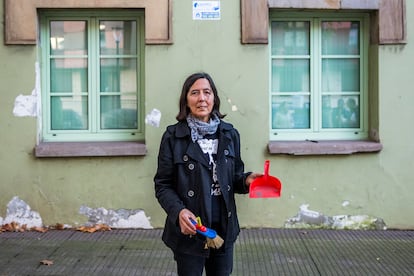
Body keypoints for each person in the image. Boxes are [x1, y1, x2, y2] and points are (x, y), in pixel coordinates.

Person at [154, 72, 260, 276]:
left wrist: (247, 180)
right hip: (192, 226)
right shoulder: (173, 137)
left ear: (214, 98)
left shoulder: (230, 134)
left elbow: (235, 177)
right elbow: (163, 185)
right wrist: (179, 212)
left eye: (207, 92)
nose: (202, 98)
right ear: (186, 100)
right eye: (195, 93)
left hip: (224, 225)